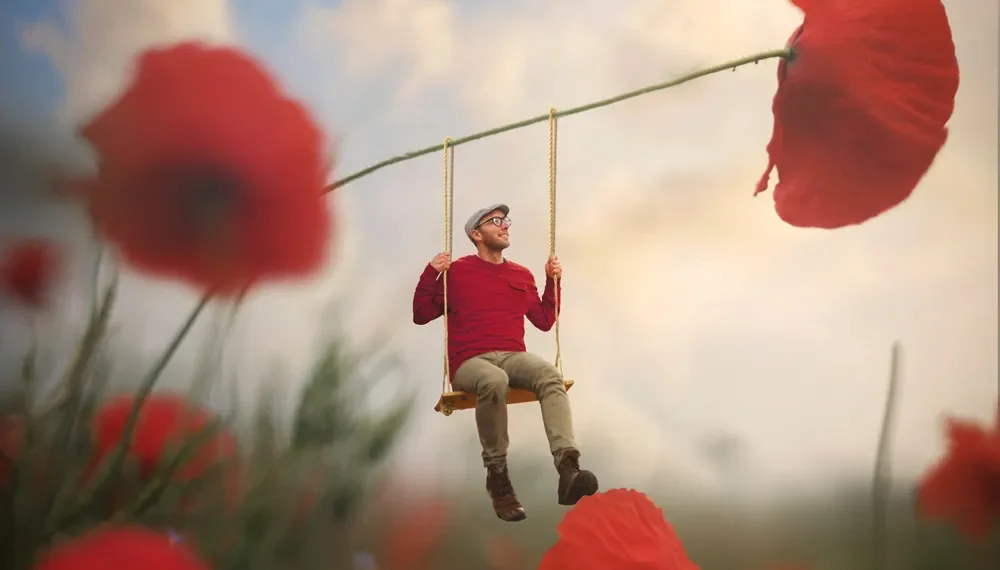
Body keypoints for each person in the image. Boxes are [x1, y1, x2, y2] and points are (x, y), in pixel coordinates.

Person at [412, 203, 599, 522]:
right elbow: (421, 315)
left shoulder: (521, 275)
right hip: (470, 362)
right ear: (477, 234)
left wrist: (552, 281)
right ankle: (497, 476)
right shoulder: (456, 272)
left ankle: (568, 469)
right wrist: (432, 272)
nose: (505, 226)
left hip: (513, 357)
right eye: (495, 221)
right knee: (493, 381)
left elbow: (544, 320)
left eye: (505, 220)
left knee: (550, 376)